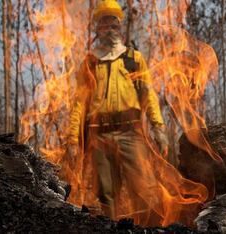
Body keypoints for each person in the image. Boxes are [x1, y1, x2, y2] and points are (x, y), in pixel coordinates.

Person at [67, 0, 169, 223]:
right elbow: (79, 103)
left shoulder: (133, 58)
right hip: (99, 135)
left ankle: (151, 228)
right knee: (105, 194)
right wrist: (73, 139)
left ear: (120, 26)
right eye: (104, 23)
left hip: (130, 133)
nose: (110, 27)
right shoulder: (90, 62)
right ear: (98, 28)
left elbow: (148, 95)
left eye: (114, 23)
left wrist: (158, 126)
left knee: (144, 187)